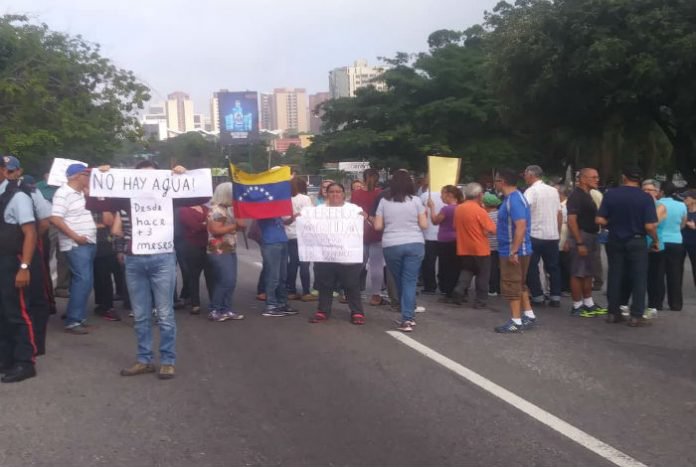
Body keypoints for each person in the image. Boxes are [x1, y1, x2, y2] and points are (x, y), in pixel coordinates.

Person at [88, 160, 209, 380]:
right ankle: (144, 359)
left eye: (152, 177)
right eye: (142, 177)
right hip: (134, 260)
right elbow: (95, 204)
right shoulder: (125, 199)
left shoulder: (169, 196)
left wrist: (185, 175)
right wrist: (101, 178)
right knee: (141, 315)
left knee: (164, 313)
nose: (147, 182)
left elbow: (201, 197)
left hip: (162, 258)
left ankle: (167, 360)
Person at [596, 166, 658, 327]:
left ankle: (613, 312)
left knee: (615, 275)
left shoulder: (611, 194)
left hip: (615, 239)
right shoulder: (645, 198)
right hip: (637, 240)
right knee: (639, 277)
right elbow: (650, 226)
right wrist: (655, 240)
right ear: (639, 180)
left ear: (624, 177)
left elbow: (600, 220)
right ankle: (636, 315)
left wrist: (614, 222)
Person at [374, 170, 428, 333]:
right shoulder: (417, 201)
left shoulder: (384, 201)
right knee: (409, 281)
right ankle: (408, 317)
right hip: (414, 243)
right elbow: (424, 225)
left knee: (399, 281)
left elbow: (377, 226)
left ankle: (407, 313)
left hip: (391, 244)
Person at [0, 157, 38, 383]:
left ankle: (25, 362)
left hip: (11, 261)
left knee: (16, 312)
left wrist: (24, 267)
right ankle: (6, 358)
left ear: (4, 171)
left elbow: (30, 233)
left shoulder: (18, 196)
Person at [308, 183, 366, 324]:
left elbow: (362, 224)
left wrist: (365, 216)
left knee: (351, 284)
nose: (335, 194)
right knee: (325, 284)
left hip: (348, 255)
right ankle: (323, 311)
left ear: (343, 194)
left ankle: (357, 312)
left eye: (338, 192)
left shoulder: (353, 209)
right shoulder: (319, 210)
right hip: (325, 255)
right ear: (326, 194)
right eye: (332, 192)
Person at [50, 163, 97, 335]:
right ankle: (73, 320)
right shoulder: (63, 193)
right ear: (78, 176)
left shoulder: (80, 193)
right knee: (82, 280)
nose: (89, 178)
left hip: (87, 242)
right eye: (87, 175)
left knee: (85, 281)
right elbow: (55, 218)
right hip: (76, 244)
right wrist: (75, 237)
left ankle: (77, 315)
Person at [493, 169, 535, 333]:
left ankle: (515, 321)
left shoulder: (513, 200)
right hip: (518, 248)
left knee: (511, 284)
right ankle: (529, 314)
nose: (495, 184)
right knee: (520, 284)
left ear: (502, 181)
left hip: (513, 249)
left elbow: (521, 226)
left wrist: (514, 251)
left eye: (496, 181)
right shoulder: (515, 198)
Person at [565, 168, 607, 317]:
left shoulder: (588, 195)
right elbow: (571, 220)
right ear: (582, 179)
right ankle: (577, 305)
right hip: (582, 236)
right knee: (578, 272)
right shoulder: (576, 196)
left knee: (588, 271)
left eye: (597, 177)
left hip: (592, 235)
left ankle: (588, 303)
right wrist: (579, 242)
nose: (597, 180)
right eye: (593, 177)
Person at [451, 183, 496, 308]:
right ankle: (480, 301)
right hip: (480, 248)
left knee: (467, 270)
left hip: (464, 247)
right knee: (483, 274)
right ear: (479, 195)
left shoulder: (459, 208)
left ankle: (459, 289)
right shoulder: (479, 210)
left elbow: (455, 226)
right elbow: (492, 229)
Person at [523, 165, 562, 307]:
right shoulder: (553, 191)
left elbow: (524, 211)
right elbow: (559, 213)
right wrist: (556, 231)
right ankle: (555, 296)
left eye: (525, 175)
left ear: (531, 175)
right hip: (552, 235)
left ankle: (538, 296)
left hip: (535, 234)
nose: (525, 177)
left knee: (532, 267)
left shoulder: (531, 191)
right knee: (553, 267)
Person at [206, 182, 245, 322]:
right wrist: (234, 225)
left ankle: (226, 308)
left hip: (228, 247)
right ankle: (215, 309)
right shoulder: (217, 210)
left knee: (231, 281)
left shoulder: (228, 209)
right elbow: (215, 230)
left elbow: (238, 227)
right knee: (225, 280)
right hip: (219, 249)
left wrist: (239, 223)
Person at [351, 169, 387, 306]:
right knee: (376, 265)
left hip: (359, 232)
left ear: (363, 178)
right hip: (377, 231)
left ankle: (350, 291)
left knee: (357, 265)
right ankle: (376, 295)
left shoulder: (356, 194)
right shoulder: (381, 194)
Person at [654, 181, 687, 311]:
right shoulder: (681, 205)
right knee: (675, 273)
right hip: (676, 241)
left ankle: (657, 302)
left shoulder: (658, 204)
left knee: (658, 273)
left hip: (661, 240)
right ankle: (676, 303)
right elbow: (683, 224)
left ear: (662, 191)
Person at [259, 215, 297, 317]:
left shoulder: (277, 209)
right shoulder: (262, 208)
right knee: (273, 276)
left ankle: (281, 303)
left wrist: (291, 219)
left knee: (282, 276)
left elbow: (283, 222)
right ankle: (271, 305)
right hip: (271, 243)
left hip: (282, 240)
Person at [428, 185, 462, 301]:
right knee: (456, 266)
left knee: (445, 267)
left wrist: (432, 208)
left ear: (449, 195)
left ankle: (447, 291)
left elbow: (435, 221)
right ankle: (457, 290)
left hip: (445, 240)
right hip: (457, 239)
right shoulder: (461, 207)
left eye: (442, 194)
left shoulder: (446, 209)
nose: (441, 197)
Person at [178, 203, 213, 314]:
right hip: (192, 247)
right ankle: (195, 303)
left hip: (207, 246)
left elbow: (210, 224)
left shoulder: (206, 208)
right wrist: (206, 224)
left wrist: (205, 225)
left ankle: (214, 302)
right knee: (193, 276)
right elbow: (195, 226)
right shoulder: (184, 210)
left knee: (210, 276)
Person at [284, 177, 314, 301]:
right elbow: (310, 215)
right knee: (304, 264)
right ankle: (306, 292)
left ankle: (291, 290)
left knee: (293, 263)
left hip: (289, 234)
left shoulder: (284, 200)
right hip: (304, 235)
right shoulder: (305, 199)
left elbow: (284, 220)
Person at [642, 179, 668, 316]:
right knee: (639, 276)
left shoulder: (660, 206)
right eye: (644, 190)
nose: (646, 192)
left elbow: (651, 223)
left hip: (656, 245)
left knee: (655, 277)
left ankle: (654, 305)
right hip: (640, 245)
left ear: (657, 192)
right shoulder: (640, 205)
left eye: (649, 190)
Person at [420, 177, 444, 295]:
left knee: (428, 262)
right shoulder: (447, 195)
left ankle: (430, 286)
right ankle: (444, 285)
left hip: (428, 233)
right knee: (445, 262)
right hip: (444, 234)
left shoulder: (425, 195)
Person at [483, 193, 501, 296]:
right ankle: (498, 288)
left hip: (490, 245)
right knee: (498, 267)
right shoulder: (500, 214)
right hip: (500, 244)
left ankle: (492, 289)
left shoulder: (486, 216)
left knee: (491, 268)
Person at [556, 184, 572, 297]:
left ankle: (567, 287)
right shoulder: (559, 205)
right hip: (559, 235)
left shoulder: (567, 205)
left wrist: (568, 240)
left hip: (564, 235)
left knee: (565, 262)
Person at [682, 190, 696, 288]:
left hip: (694, 244)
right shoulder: (683, 210)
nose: (684, 200)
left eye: (686, 198)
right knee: (678, 268)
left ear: (694, 200)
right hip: (682, 243)